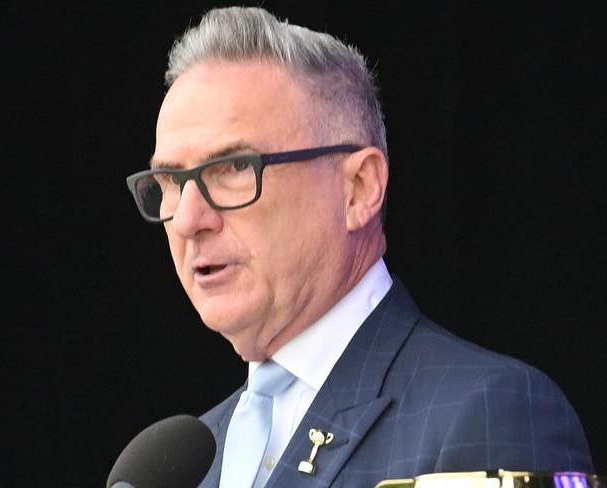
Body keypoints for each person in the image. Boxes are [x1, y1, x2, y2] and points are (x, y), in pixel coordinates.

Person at [125, 6, 594, 487]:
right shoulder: (190, 462)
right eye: (169, 181)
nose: (186, 219)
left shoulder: (489, 411)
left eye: (234, 168)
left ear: (359, 189)